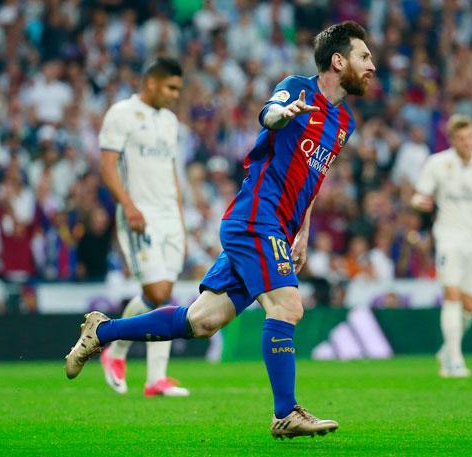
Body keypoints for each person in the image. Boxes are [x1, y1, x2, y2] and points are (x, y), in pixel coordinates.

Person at [65, 21, 375, 439]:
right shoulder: (298, 89)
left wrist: (302, 230)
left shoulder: (343, 123)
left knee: (200, 322)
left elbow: (312, 179)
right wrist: (279, 116)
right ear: (338, 61)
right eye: (364, 56)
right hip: (255, 218)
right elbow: (269, 113)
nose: (371, 65)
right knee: (287, 307)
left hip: (279, 229)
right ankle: (286, 412)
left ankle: (101, 331)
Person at [97, 57, 189, 397]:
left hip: (169, 216)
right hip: (141, 213)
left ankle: (155, 379)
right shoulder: (121, 113)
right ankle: (116, 348)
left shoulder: (170, 121)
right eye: (171, 88)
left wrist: (181, 220)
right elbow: (107, 165)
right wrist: (129, 205)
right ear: (151, 83)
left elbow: (172, 173)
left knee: (163, 294)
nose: (175, 95)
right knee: (158, 293)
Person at [412, 114, 472, 377]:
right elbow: (420, 196)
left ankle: (448, 350)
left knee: (470, 304)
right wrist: (419, 203)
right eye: (461, 138)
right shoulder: (437, 164)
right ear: (452, 139)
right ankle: (455, 360)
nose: (467, 142)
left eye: (470, 137)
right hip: (448, 237)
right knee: (451, 295)